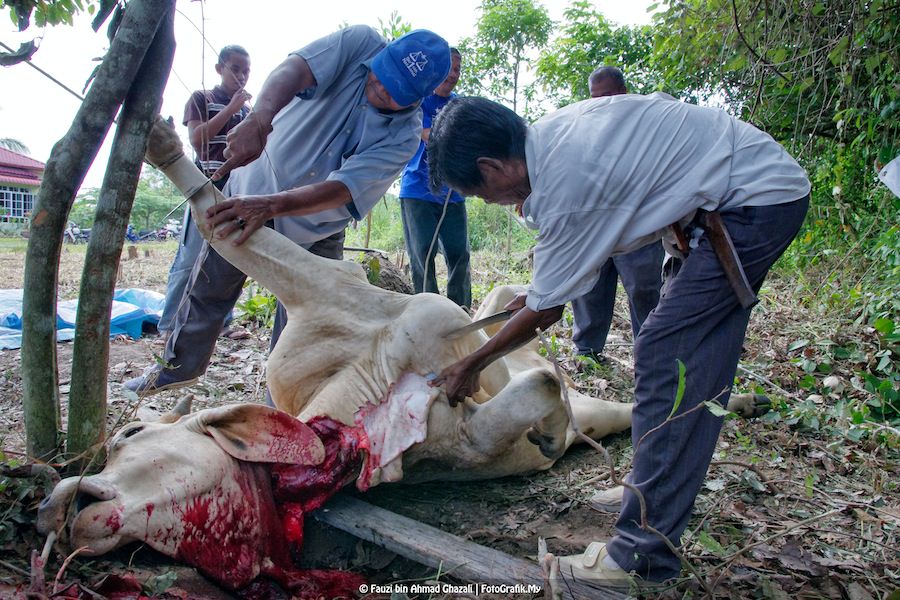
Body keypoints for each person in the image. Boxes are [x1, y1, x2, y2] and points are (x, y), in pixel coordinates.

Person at [427, 95, 810, 585]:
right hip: (717, 205)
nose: (488, 202)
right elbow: (556, 282)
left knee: (671, 355)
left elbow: (547, 310)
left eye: (479, 192)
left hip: (752, 201)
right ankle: (649, 489)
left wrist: (473, 363)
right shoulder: (552, 142)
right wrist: (538, 294)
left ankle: (639, 558)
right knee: (682, 357)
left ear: (492, 167)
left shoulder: (568, 182)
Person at [125, 26, 450, 394]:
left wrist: (271, 206)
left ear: (419, 98)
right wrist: (259, 118)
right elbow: (293, 70)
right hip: (251, 187)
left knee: (310, 320)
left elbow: (344, 189)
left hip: (316, 227)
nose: (379, 88)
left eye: (394, 92)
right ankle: (172, 372)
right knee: (208, 290)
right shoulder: (359, 43)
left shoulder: (404, 136)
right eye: (380, 75)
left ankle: (280, 401)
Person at [571, 66, 665, 363]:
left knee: (644, 289)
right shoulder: (583, 128)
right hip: (595, 223)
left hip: (637, 222)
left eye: (609, 95)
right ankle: (587, 352)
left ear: (624, 93)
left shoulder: (644, 125)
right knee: (589, 288)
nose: (604, 103)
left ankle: (650, 354)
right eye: (596, 98)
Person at [156, 45, 252, 337]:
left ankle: (221, 324)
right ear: (219, 68)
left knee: (227, 256)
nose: (241, 76)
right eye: (235, 69)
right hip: (206, 185)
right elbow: (198, 139)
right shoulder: (202, 98)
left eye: (246, 71)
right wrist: (231, 109)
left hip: (237, 190)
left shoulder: (247, 111)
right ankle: (170, 324)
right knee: (190, 257)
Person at [398, 48, 471, 308]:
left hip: (453, 192)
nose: (453, 74)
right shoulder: (418, 101)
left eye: (458, 69)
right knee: (423, 255)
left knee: (459, 254)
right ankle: (428, 312)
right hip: (418, 191)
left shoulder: (459, 106)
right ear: (436, 70)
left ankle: (461, 311)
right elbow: (426, 133)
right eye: (449, 68)